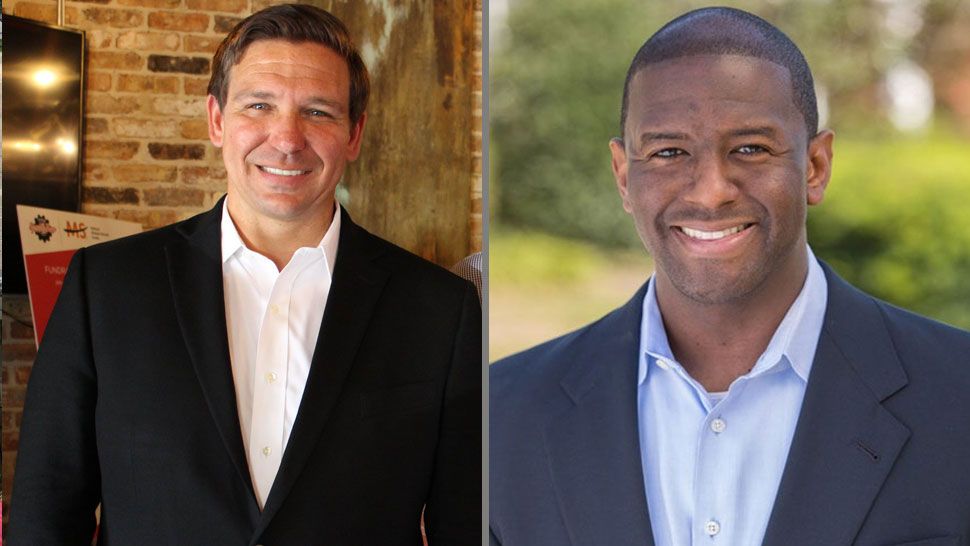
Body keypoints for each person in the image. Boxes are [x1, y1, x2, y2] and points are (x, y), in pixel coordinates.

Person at [489, 7, 970, 546]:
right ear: (624, 177)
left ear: (815, 166)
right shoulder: (500, 418)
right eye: (668, 152)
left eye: (750, 148)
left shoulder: (959, 395)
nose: (710, 190)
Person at [8, 5, 481, 545]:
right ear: (217, 120)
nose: (286, 137)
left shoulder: (440, 309)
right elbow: (46, 513)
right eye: (259, 105)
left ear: (354, 134)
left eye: (319, 112)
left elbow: (463, 525)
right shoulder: (107, 287)